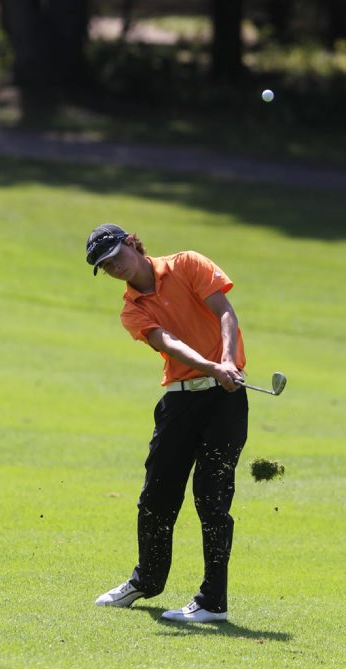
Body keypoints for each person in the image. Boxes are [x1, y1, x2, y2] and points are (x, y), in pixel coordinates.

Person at [86, 223, 248, 622]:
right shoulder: (132, 310)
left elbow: (224, 310)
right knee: (156, 496)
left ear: (131, 243)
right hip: (179, 402)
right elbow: (165, 342)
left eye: (115, 257)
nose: (114, 268)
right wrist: (210, 364)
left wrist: (226, 361)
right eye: (105, 267)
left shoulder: (188, 264)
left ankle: (212, 603)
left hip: (225, 400)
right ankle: (147, 581)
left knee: (212, 500)